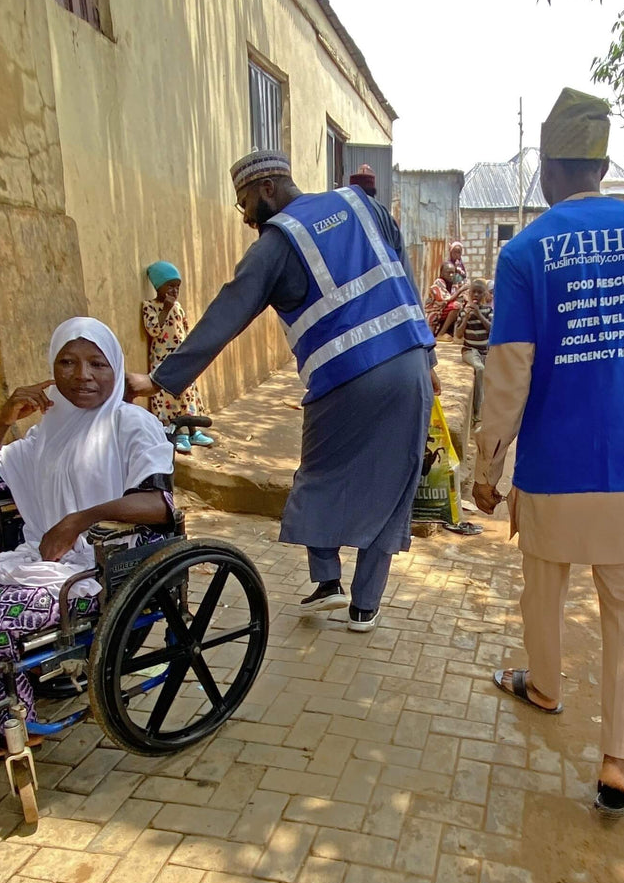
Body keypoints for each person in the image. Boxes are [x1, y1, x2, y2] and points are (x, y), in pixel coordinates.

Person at [471, 88, 624, 818]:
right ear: (600, 162)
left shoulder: (525, 251)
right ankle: (617, 765)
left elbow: (508, 370)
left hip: (553, 472)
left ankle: (544, 687)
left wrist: (486, 466)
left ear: (545, 168)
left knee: (543, 588)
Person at [127, 149, 438, 632]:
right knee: (393, 487)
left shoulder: (275, 246)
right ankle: (365, 607)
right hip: (409, 366)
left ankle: (328, 580)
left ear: (267, 188)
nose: (246, 216)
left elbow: (227, 312)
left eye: (245, 202)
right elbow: (405, 276)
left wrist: (160, 379)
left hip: (343, 380)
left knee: (320, 475)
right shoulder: (363, 205)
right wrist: (429, 354)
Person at [0, 317, 174, 757]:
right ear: (51, 371)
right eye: (68, 362)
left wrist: (80, 518)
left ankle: (0, 726)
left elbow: (159, 505)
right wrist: (1, 421)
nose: (82, 376)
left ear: (115, 368)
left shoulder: (130, 424)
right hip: (41, 561)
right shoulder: (45, 435)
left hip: (105, 566)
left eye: (97, 364)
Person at [142, 261, 214, 453]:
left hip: (181, 359)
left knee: (187, 394)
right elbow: (154, 330)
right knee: (170, 396)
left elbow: (186, 330)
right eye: (170, 286)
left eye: (177, 287)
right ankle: (179, 432)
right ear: (159, 287)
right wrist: (165, 308)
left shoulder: (178, 308)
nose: (175, 291)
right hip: (163, 361)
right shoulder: (150, 307)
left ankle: (193, 430)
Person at [454, 278, 493, 423]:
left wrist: (479, 315)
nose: (476, 295)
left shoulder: (488, 311)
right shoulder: (464, 311)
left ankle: (486, 412)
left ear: (484, 295)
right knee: (479, 368)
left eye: (479, 292)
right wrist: (466, 318)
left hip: (485, 352)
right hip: (469, 351)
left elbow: (491, 329)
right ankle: (477, 414)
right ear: (470, 294)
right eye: (473, 292)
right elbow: (458, 334)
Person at [425, 261, 465, 338]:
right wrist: (461, 290)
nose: (451, 275)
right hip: (435, 311)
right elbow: (446, 299)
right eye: (448, 272)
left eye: (453, 273)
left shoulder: (453, 284)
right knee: (456, 306)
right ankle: (441, 333)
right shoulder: (439, 282)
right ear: (442, 273)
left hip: (443, 310)